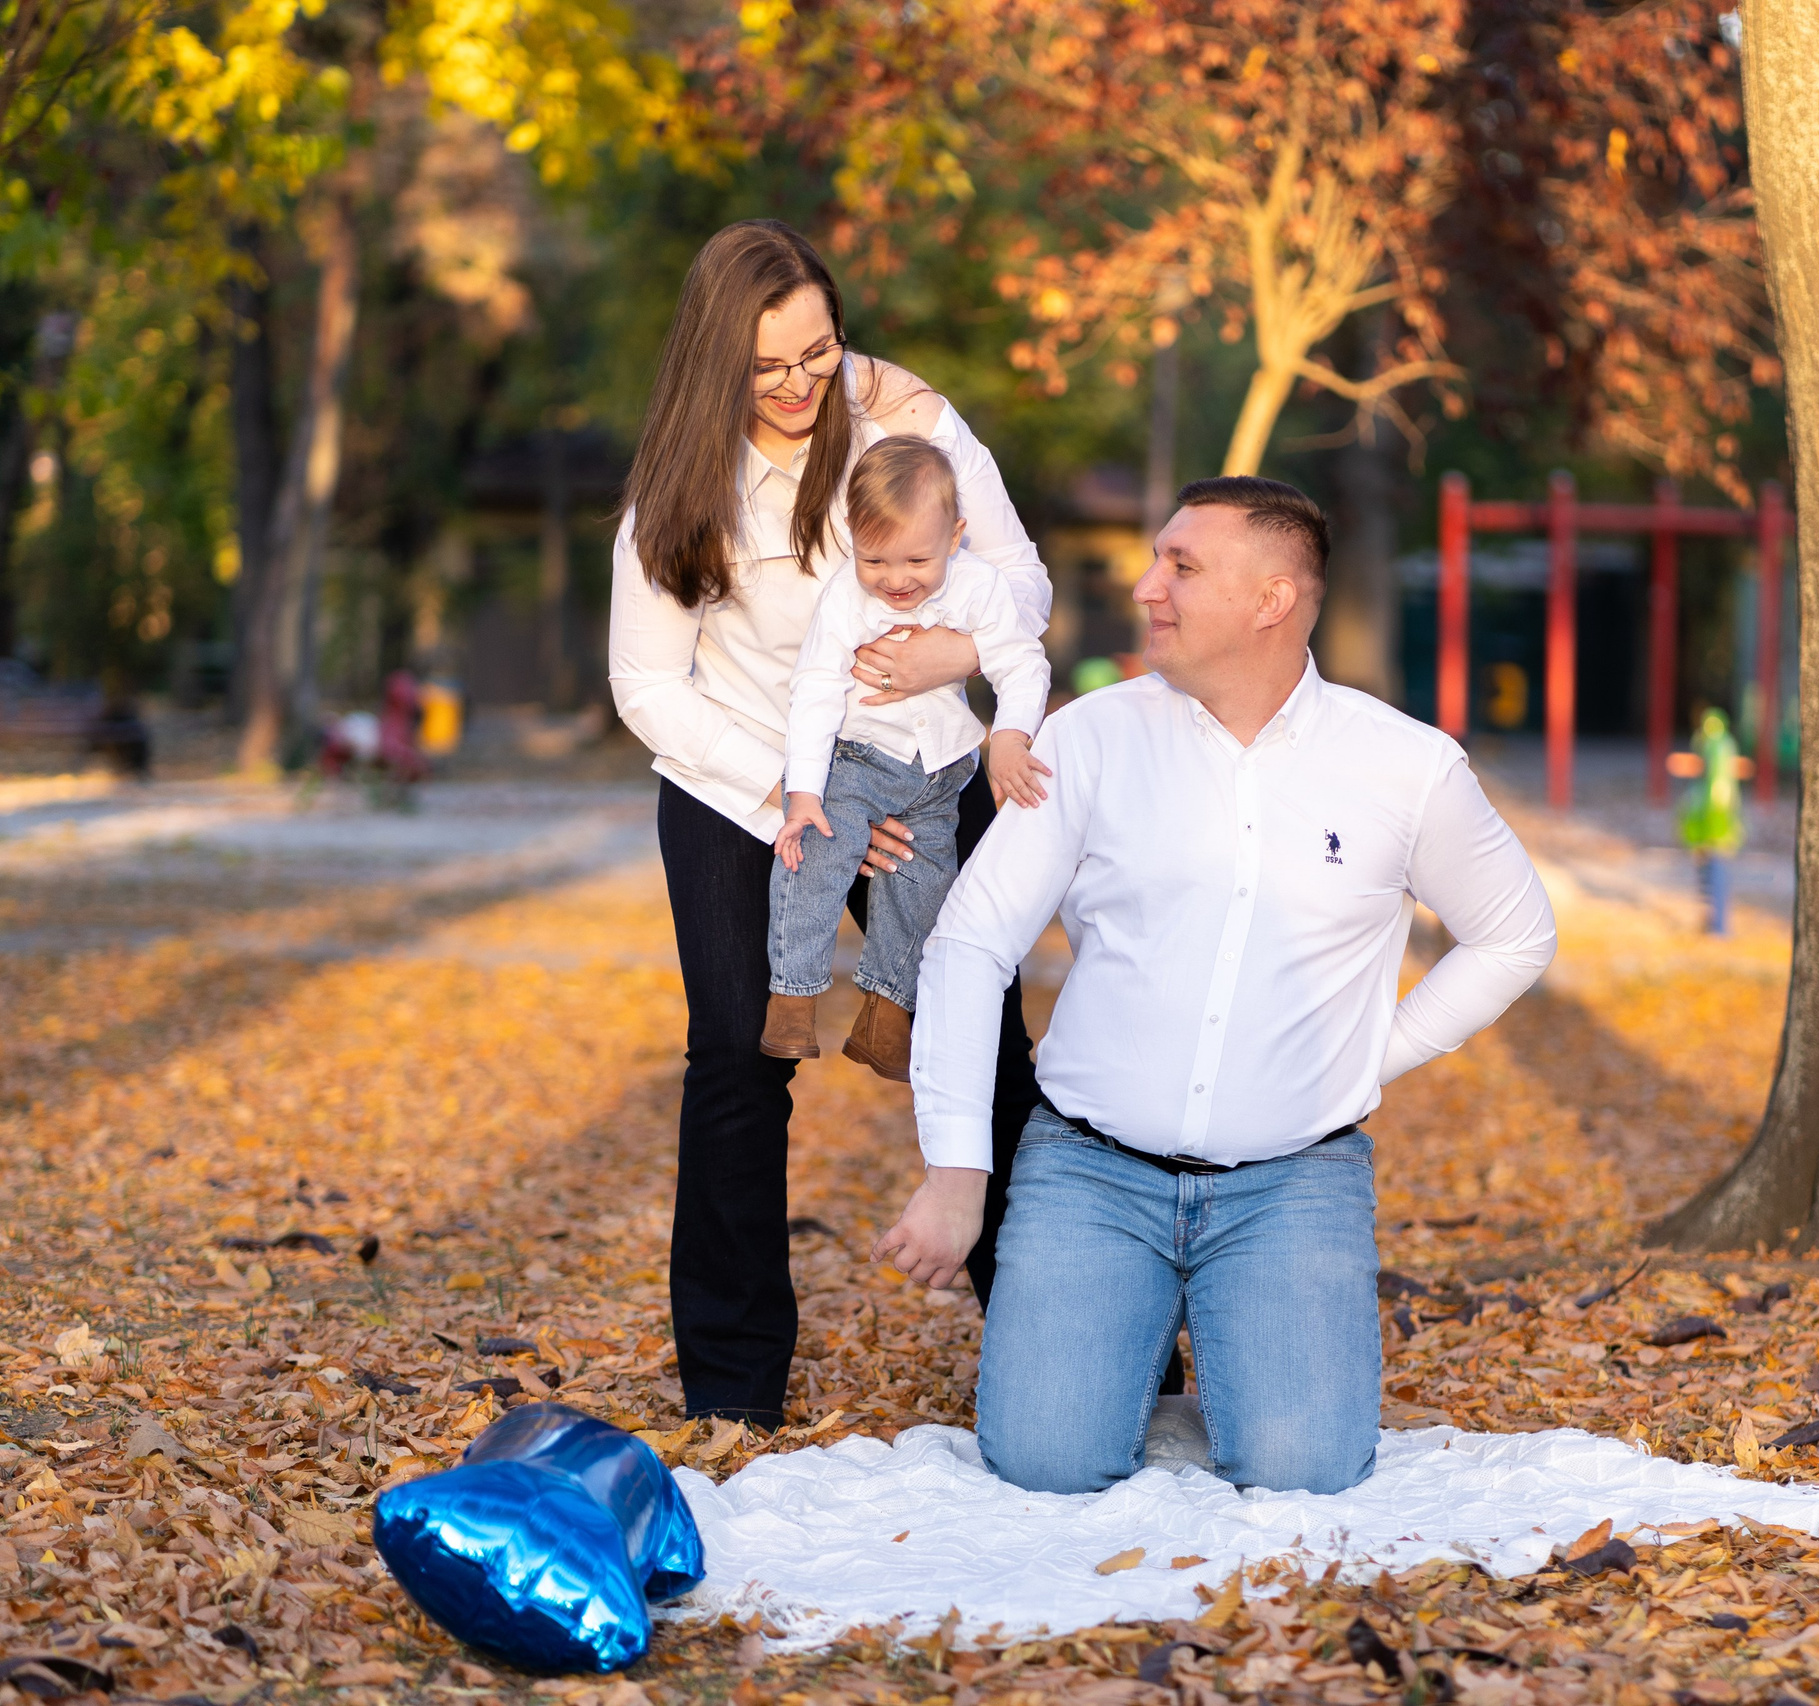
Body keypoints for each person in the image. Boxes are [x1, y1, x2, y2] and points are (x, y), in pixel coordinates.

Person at [881, 476, 1557, 1496]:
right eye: (1156, 559)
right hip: (1090, 1171)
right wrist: (957, 1169)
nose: (1148, 587)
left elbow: (1515, 933)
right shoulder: (1087, 740)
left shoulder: (1405, 766)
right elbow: (972, 941)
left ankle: (1243, 1381)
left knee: (1303, 1468)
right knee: (1043, 1461)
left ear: (1271, 598)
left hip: (1293, 1179)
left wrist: (1371, 1055)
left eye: (1182, 566)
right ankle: (1107, 1375)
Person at [606, 219, 1049, 1427]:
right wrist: (804, 794)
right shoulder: (675, 486)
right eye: (768, 367)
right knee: (738, 1059)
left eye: (819, 350)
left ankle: (1065, 1351)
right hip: (740, 782)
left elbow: (1022, 582)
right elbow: (647, 685)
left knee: (982, 1041)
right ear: (715, 364)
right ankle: (734, 1391)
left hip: (920, 763)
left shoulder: (906, 414)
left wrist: (959, 648)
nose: (803, 384)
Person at [764, 437, 1052, 1078]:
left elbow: (1021, 662)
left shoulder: (981, 588)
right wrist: (804, 792)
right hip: (859, 757)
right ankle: (793, 994)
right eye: (876, 561)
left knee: (925, 889)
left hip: (942, 769)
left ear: (956, 537)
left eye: (917, 559)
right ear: (852, 540)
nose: (896, 580)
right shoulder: (845, 596)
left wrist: (1010, 735)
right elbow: (815, 688)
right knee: (816, 852)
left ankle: (885, 1014)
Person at [1676, 706, 1745, 935]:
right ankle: (1715, 923)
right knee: (1711, 872)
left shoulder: (1717, 749)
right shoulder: (1723, 747)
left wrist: (1712, 823)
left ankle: (1719, 927)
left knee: (1717, 871)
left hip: (1715, 825)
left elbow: (1717, 791)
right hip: (1713, 825)